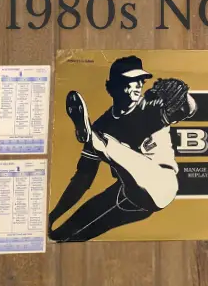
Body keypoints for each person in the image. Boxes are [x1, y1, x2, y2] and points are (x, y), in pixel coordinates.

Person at [48, 55, 197, 242]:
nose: (139, 85)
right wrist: (52, 216)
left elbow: (190, 108)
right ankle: (57, 235)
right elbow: (82, 179)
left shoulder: (151, 106)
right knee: (64, 236)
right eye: (132, 79)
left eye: (141, 80)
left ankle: (96, 142)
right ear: (113, 86)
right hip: (129, 193)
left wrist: (180, 91)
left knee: (107, 144)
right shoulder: (102, 125)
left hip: (161, 183)